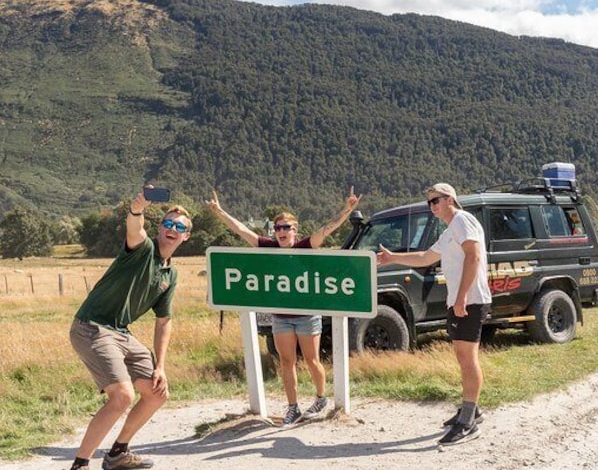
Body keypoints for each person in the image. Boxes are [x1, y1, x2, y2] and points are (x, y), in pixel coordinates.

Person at [208, 187, 362, 426]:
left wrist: (346, 211)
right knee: (287, 362)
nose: (281, 232)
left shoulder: (305, 246)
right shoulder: (267, 247)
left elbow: (327, 229)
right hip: (280, 317)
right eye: (277, 228)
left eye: (286, 228)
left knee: (312, 361)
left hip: (307, 315)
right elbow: (242, 230)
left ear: (295, 231)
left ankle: (321, 398)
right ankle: (292, 407)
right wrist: (220, 212)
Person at [68, 189, 192, 470]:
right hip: (92, 326)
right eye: (169, 224)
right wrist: (137, 208)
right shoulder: (142, 248)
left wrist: (160, 366)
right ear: (160, 228)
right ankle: (80, 465)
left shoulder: (170, 274)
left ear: (186, 236)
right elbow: (135, 227)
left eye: (180, 227)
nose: (173, 229)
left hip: (121, 332)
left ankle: (117, 453)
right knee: (123, 395)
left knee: (157, 392)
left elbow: (164, 322)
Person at [377, 183, 492, 446]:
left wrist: (462, 297)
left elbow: (473, 258)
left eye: (436, 200)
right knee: (463, 357)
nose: (432, 206)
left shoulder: (463, 220)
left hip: (470, 300)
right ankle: (471, 410)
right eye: (429, 202)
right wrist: (393, 257)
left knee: (467, 358)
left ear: (450, 199)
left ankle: (468, 422)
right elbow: (426, 257)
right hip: (460, 301)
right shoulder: (451, 229)